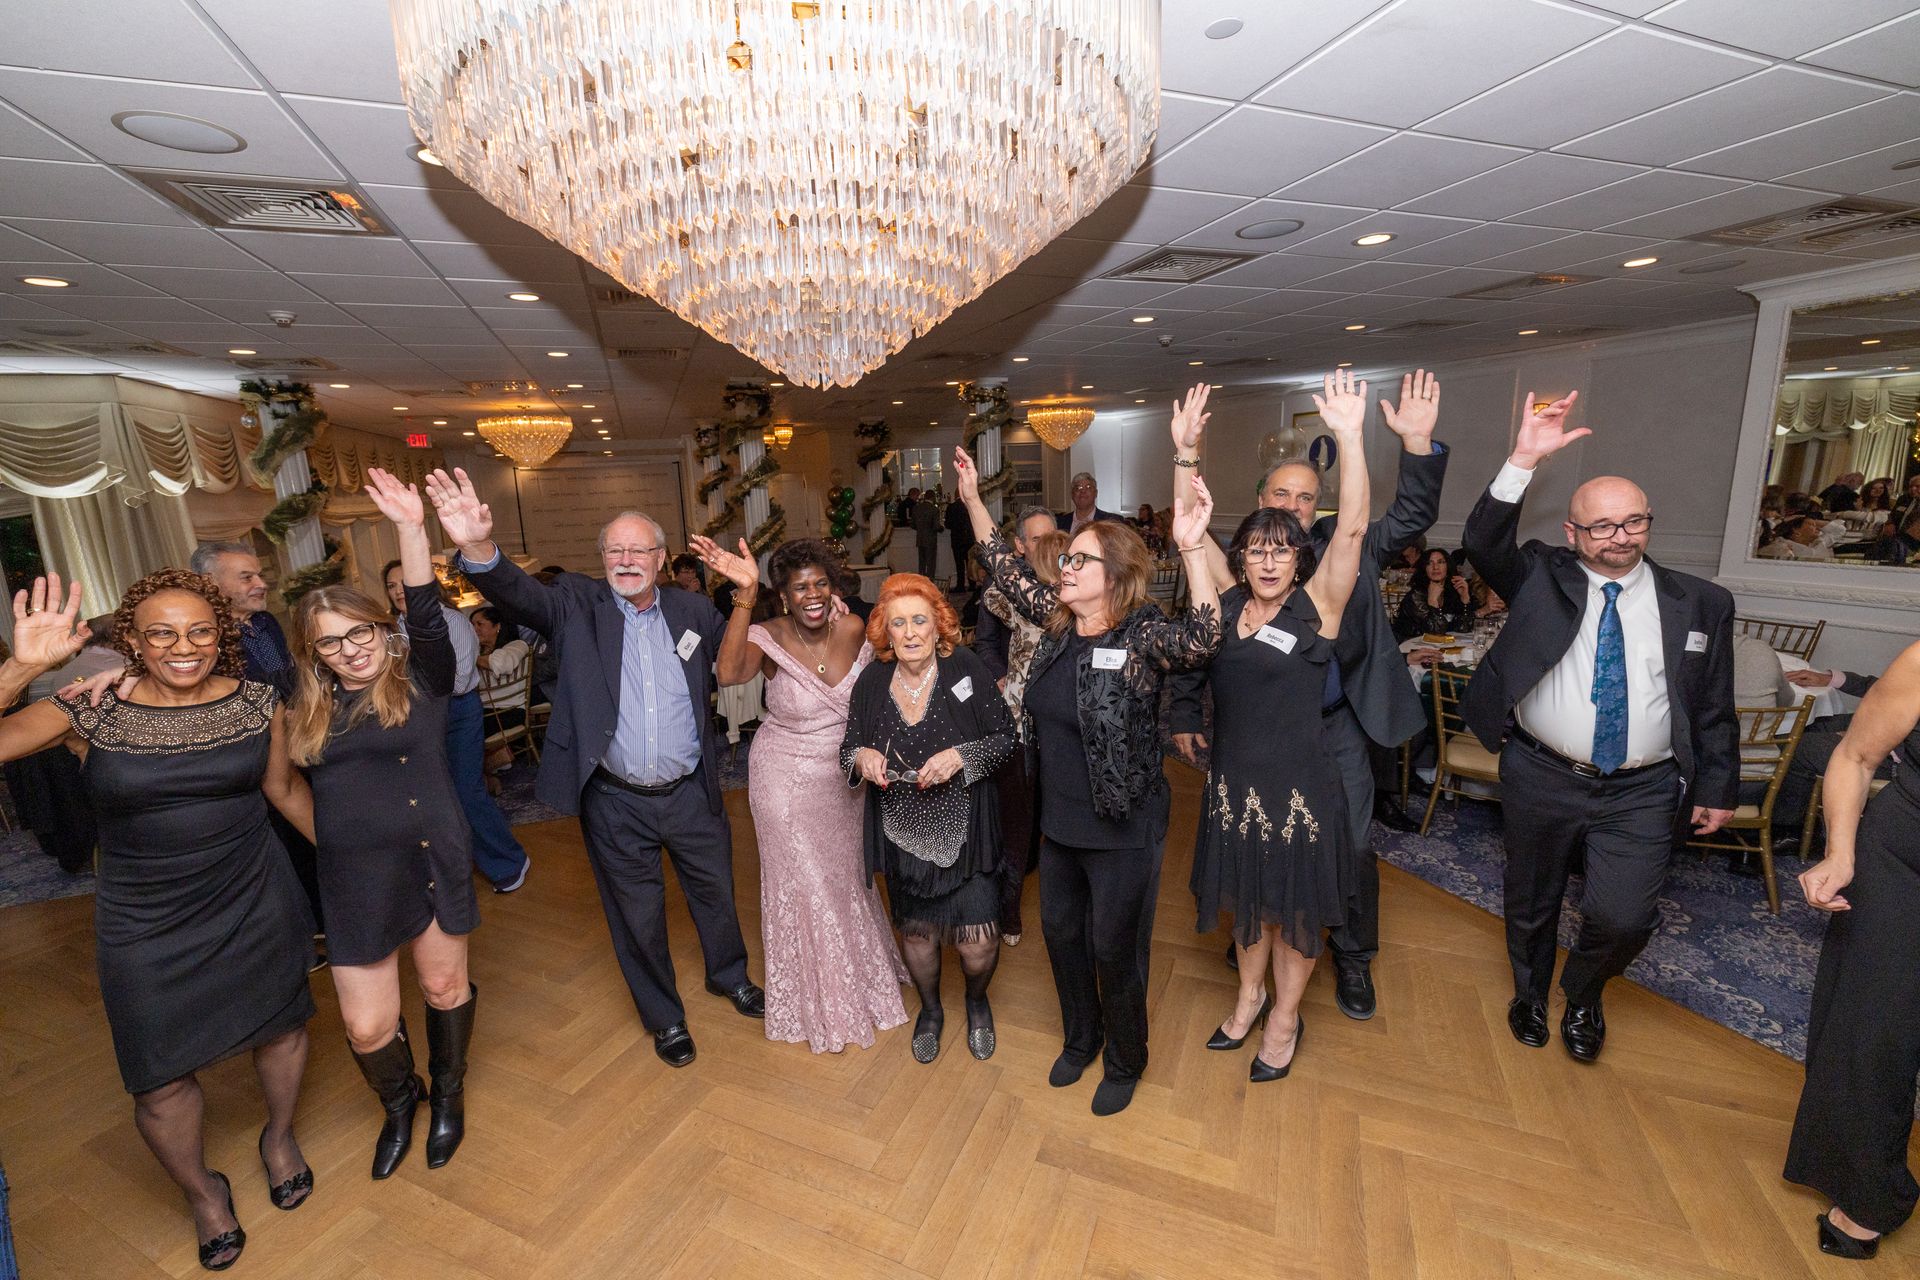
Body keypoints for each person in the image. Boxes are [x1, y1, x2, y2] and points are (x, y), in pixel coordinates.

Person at [1, 570, 316, 1270]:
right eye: (162, 632)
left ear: (222, 634)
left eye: (200, 630)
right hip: (142, 919)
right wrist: (25, 666)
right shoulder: (90, 710)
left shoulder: (259, 702)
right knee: (158, 1074)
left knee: (282, 1027)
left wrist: (357, 870)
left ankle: (280, 1137)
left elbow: (286, 790)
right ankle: (203, 1193)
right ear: (134, 642)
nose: (184, 646)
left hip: (253, 893)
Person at [423, 467, 764, 1068]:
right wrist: (477, 546)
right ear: (601, 557)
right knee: (636, 913)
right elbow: (517, 593)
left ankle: (729, 975)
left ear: (661, 558)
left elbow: (735, 671)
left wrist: (743, 598)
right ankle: (664, 1017)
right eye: (615, 549)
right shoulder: (577, 605)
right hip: (616, 797)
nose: (626, 558)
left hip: (690, 790)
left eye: (638, 549)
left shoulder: (689, 609)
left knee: (715, 892)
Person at [955, 423, 1222, 1117]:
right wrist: (971, 498)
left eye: (1078, 561)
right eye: (1065, 561)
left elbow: (1204, 639)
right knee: (1062, 937)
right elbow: (1004, 568)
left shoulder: (1142, 637)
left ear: (1115, 575)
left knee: (1114, 948)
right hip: (1061, 824)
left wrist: (1192, 544)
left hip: (1124, 825)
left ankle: (1127, 1059)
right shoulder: (1056, 625)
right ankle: (1081, 1040)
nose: (1063, 570)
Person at [1461, 390, 1737, 1063]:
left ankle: (1583, 993)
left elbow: (1712, 704)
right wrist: (1524, 458)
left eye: (1634, 522)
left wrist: (1719, 786)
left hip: (1642, 787)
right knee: (1532, 899)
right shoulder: (1541, 578)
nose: (1621, 538)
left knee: (1626, 916)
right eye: (1604, 527)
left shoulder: (1700, 602)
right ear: (1573, 534)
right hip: (1542, 771)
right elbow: (1482, 541)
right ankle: (1529, 992)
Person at [1172, 370, 1451, 1019]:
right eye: (1282, 494)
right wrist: (1184, 453)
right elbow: (1193, 538)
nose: (1295, 505)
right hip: (1260, 738)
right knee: (1261, 836)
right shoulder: (1243, 567)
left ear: (1317, 504)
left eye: (1306, 497)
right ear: (1262, 499)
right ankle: (1260, 935)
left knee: (1347, 847)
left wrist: (1407, 444)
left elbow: (1405, 516)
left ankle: (1352, 958)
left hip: (1338, 723)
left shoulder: (1344, 551)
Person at [278, 469, 482, 1182]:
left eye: (359, 631)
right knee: (366, 1025)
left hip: (432, 857)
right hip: (355, 877)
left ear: (379, 626)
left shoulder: (420, 675)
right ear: (313, 654)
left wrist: (410, 528)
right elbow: (282, 786)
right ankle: (402, 1104)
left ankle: (448, 1095)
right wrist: (332, 837)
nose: (350, 649)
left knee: (443, 991)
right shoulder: (302, 707)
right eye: (330, 643)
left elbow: (425, 611)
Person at [1189, 370, 1372, 1084]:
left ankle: (1285, 1020)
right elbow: (1188, 527)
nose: (1268, 559)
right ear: (1241, 557)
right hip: (1236, 782)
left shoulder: (1317, 608)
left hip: (1300, 785)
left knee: (1292, 909)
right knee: (1249, 903)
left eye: (1283, 549)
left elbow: (1353, 525)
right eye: (1257, 548)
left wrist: (1352, 437)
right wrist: (1185, 452)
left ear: (1301, 558)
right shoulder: (1228, 600)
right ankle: (1248, 999)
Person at [695, 533, 909, 1054]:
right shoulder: (765, 634)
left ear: (834, 589)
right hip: (783, 780)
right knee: (806, 885)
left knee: (845, 880)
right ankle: (818, 999)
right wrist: (744, 592)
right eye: (798, 587)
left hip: (845, 778)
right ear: (783, 595)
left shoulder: (856, 627)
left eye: (820, 584)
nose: (811, 595)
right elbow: (727, 674)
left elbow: (898, 674)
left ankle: (860, 976)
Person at [842, 573, 1017, 1063]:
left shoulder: (964, 668)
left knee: (977, 946)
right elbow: (848, 746)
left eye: (920, 620)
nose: (911, 632)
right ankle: (932, 1010)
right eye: (899, 624)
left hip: (967, 831)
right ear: (886, 632)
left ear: (939, 625)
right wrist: (863, 758)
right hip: (903, 830)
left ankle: (977, 1001)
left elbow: (1006, 738)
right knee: (917, 935)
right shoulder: (872, 681)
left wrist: (961, 756)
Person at [1785, 639, 1920, 1260]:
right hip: (1904, 862)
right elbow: (1856, 756)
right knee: (1875, 1029)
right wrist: (1840, 853)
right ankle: (1870, 1192)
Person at [191, 541, 326, 941]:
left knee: (309, 833)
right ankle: (300, 934)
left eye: (259, 574)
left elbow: (284, 680)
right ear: (210, 584)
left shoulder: (264, 624)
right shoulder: (204, 641)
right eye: (246, 576)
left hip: (297, 748)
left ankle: (325, 922)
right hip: (250, 765)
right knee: (279, 850)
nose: (260, 584)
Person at [383, 560, 531, 895]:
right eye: (391, 585)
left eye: (404, 583)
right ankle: (449, 872)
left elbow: (459, 679)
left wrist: (409, 686)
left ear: (423, 584)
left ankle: (509, 861)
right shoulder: (394, 630)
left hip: (459, 712)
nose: (397, 591)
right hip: (419, 718)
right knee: (434, 798)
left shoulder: (453, 622)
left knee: (467, 792)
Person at [972, 505, 1062, 943]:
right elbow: (984, 643)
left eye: (1053, 538)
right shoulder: (1004, 590)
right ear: (1020, 546)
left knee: (1050, 805)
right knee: (1016, 812)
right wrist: (1000, 676)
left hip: (1061, 724)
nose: (1047, 547)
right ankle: (1008, 902)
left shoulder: (1073, 592)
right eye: (1038, 540)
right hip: (1015, 715)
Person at [1392, 547, 1473, 640]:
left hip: (1444, 647)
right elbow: (1435, 634)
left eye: (1440, 562)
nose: (1435, 567)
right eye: (1429, 563)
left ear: (1448, 566)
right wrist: (1433, 602)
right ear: (1424, 569)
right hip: (1413, 648)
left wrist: (1465, 600)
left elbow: (1464, 629)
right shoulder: (1416, 596)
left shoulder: (1452, 591)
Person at [1055, 471, 1122, 533]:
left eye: (1088, 487)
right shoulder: (1059, 523)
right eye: (1078, 488)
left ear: (1096, 493)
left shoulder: (1111, 522)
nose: (1083, 491)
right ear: (1072, 495)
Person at [945, 490, 975, 589]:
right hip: (969, 538)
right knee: (970, 563)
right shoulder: (969, 506)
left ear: (955, 495)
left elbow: (947, 524)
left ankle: (960, 585)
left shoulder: (951, 507)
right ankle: (972, 584)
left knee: (959, 564)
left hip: (957, 539)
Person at [912, 487, 941, 580]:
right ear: (933, 497)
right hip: (931, 540)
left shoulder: (917, 508)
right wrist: (942, 528)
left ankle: (921, 583)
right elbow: (936, 526)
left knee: (922, 564)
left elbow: (912, 525)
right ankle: (930, 584)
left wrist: (920, 529)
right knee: (931, 564)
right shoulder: (934, 509)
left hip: (920, 539)